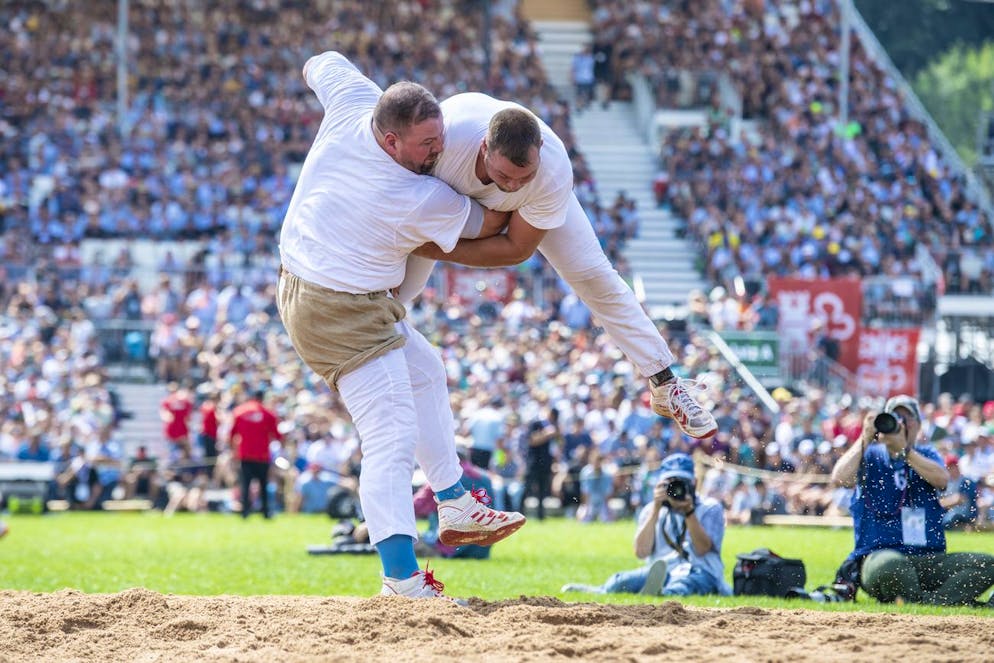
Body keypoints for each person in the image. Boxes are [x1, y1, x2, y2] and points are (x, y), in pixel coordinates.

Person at [277, 51, 525, 600]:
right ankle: (402, 579)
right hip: (340, 308)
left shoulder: (353, 103)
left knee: (427, 372)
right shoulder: (414, 195)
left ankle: (455, 499)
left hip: (312, 282)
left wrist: (322, 69)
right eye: (427, 147)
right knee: (389, 438)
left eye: (440, 140)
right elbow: (495, 223)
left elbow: (322, 61)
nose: (439, 153)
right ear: (391, 142)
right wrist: (536, 189)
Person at [398, 92, 717, 440]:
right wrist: (422, 242)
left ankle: (663, 381)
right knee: (400, 280)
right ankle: (361, 339)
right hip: (448, 194)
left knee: (595, 276)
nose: (514, 185)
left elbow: (514, 248)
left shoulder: (550, 170)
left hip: (516, 210)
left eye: (524, 176)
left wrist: (436, 249)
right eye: (505, 175)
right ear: (485, 148)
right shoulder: (442, 142)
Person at [831, 395, 994, 606]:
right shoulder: (870, 455)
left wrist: (905, 451)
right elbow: (840, 479)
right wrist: (864, 437)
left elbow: (941, 479)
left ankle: (929, 603)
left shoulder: (926, 453)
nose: (900, 423)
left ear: (917, 425)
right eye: (895, 417)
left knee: (987, 565)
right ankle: (948, 602)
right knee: (892, 566)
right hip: (880, 556)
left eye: (906, 418)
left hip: (927, 558)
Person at [562, 453, 731, 596]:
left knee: (684, 584)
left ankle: (664, 594)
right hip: (664, 569)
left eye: (681, 482)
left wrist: (689, 512)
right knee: (621, 580)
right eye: (670, 482)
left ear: (693, 483)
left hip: (699, 570)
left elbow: (702, 549)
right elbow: (641, 552)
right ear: (660, 484)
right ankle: (601, 591)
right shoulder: (651, 510)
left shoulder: (710, 508)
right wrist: (656, 509)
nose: (676, 488)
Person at [230, 389, 282, 519]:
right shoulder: (268, 414)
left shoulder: (239, 412)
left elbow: (232, 434)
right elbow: (276, 435)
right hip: (262, 455)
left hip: (245, 454)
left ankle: (245, 512)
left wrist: (233, 451)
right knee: (263, 484)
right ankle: (265, 512)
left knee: (245, 484)